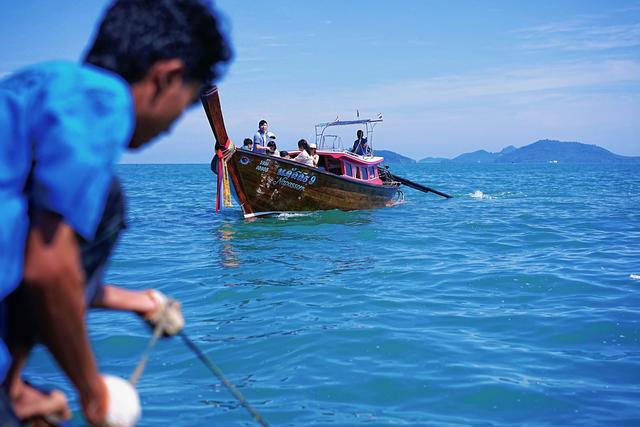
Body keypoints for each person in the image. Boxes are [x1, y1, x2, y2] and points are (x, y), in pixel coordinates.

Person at [0, 0, 231, 425]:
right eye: (182, 108)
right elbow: (49, 272)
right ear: (167, 77)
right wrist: (93, 396)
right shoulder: (103, 102)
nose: (171, 127)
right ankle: (12, 389)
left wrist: (137, 302)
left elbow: (22, 253)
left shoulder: (35, 88)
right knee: (109, 203)